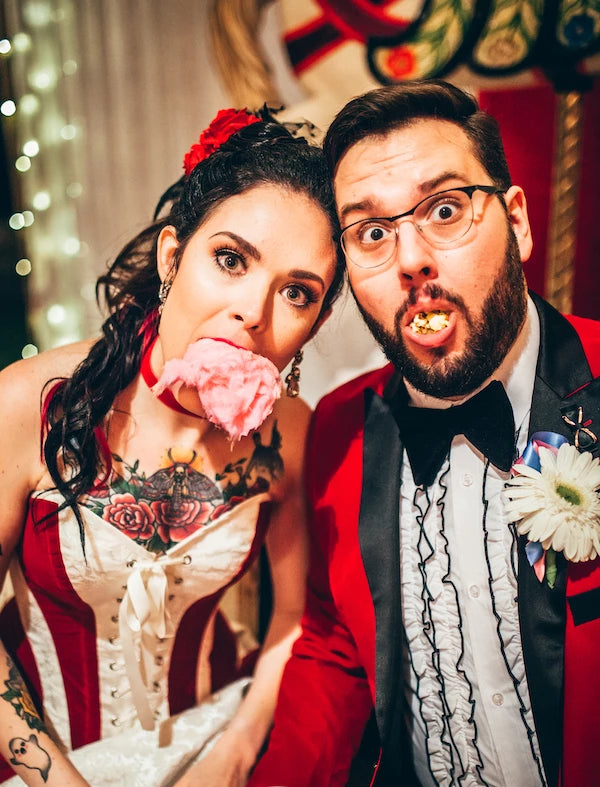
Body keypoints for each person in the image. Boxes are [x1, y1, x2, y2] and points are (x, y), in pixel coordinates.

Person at [249, 80, 600, 787]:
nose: (410, 259)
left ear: (520, 224)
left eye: (445, 209)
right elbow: (334, 649)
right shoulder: (337, 432)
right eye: (373, 232)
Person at [0, 106, 344, 786]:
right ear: (171, 255)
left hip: (210, 740)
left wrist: (236, 752)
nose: (254, 310)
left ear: (316, 322)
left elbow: (294, 622)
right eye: (230, 259)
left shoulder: (292, 435)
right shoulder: (27, 404)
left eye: (297, 292)